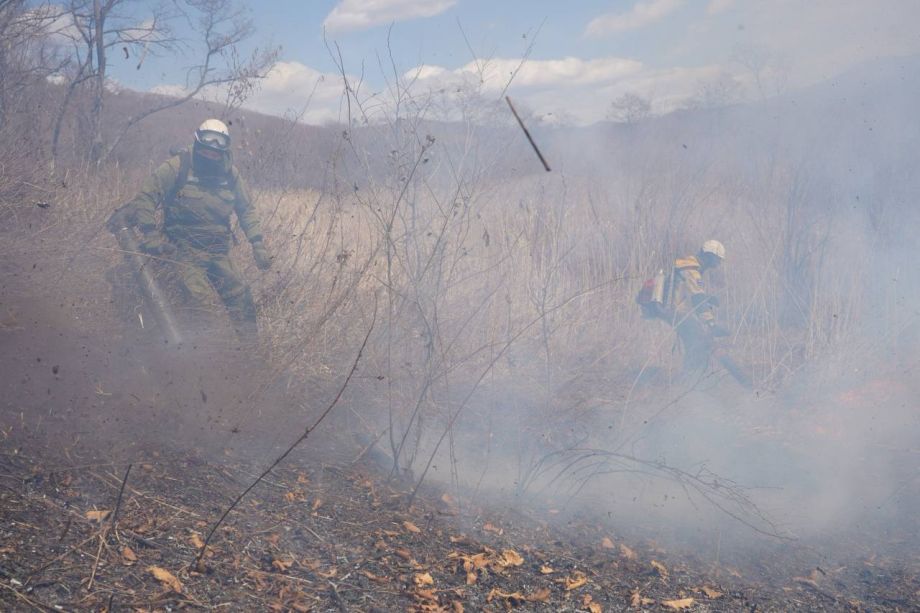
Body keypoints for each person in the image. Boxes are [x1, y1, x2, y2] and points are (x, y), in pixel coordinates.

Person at [114, 119, 272, 341]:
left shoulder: (230, 174)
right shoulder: (177, 166)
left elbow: (246, 209)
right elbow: (147, 197)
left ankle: (251, 354)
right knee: (201, 302)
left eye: (217, 151)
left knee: (241, 296)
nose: (212, 155)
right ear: (198, 144)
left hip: (218, 250)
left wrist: (257, 243)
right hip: (183, 249)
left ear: (225, 150)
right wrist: (150, 233)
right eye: (207, 149)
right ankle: (203, 357)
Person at [663, 240, 728, 375]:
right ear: (709, 256)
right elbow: (697, 298)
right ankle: (689, 380)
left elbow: (688, 292)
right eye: (717, 260)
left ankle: (690, 378)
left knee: (696, 342)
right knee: (697, 343)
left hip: (676, 312)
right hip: (678, 313)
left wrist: (707, 298)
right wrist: (711, 324)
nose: (718, 264)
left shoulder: (689, 268)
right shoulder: (691, 270)